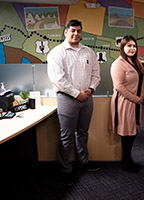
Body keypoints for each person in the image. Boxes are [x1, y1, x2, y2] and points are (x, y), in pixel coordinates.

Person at [47, 19, 101, 186]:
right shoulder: (56, 53)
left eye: (78, 31)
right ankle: (66, 170)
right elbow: (58, 79)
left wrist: (90, 90)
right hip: (67, 98)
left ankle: (83, 162)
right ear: (66, 32)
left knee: (83, 132)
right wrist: (77, 94)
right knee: (66, 136)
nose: (76, 34)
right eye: (72, 31)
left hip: (87, 98)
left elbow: (96, 74)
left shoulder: (89, 52)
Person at [110, 35, 144, 173]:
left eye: (134, 46)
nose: (132, 48)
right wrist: (135, 98)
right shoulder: (118, 64)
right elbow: (119, 86)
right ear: (123, 47)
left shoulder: (137, 62)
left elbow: (143, 80)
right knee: (128, 133)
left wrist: (141, 96)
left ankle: (128, 159)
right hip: (125, 102)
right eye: (129, 46)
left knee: (132, 131)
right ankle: (126, 161)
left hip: (136, 102)